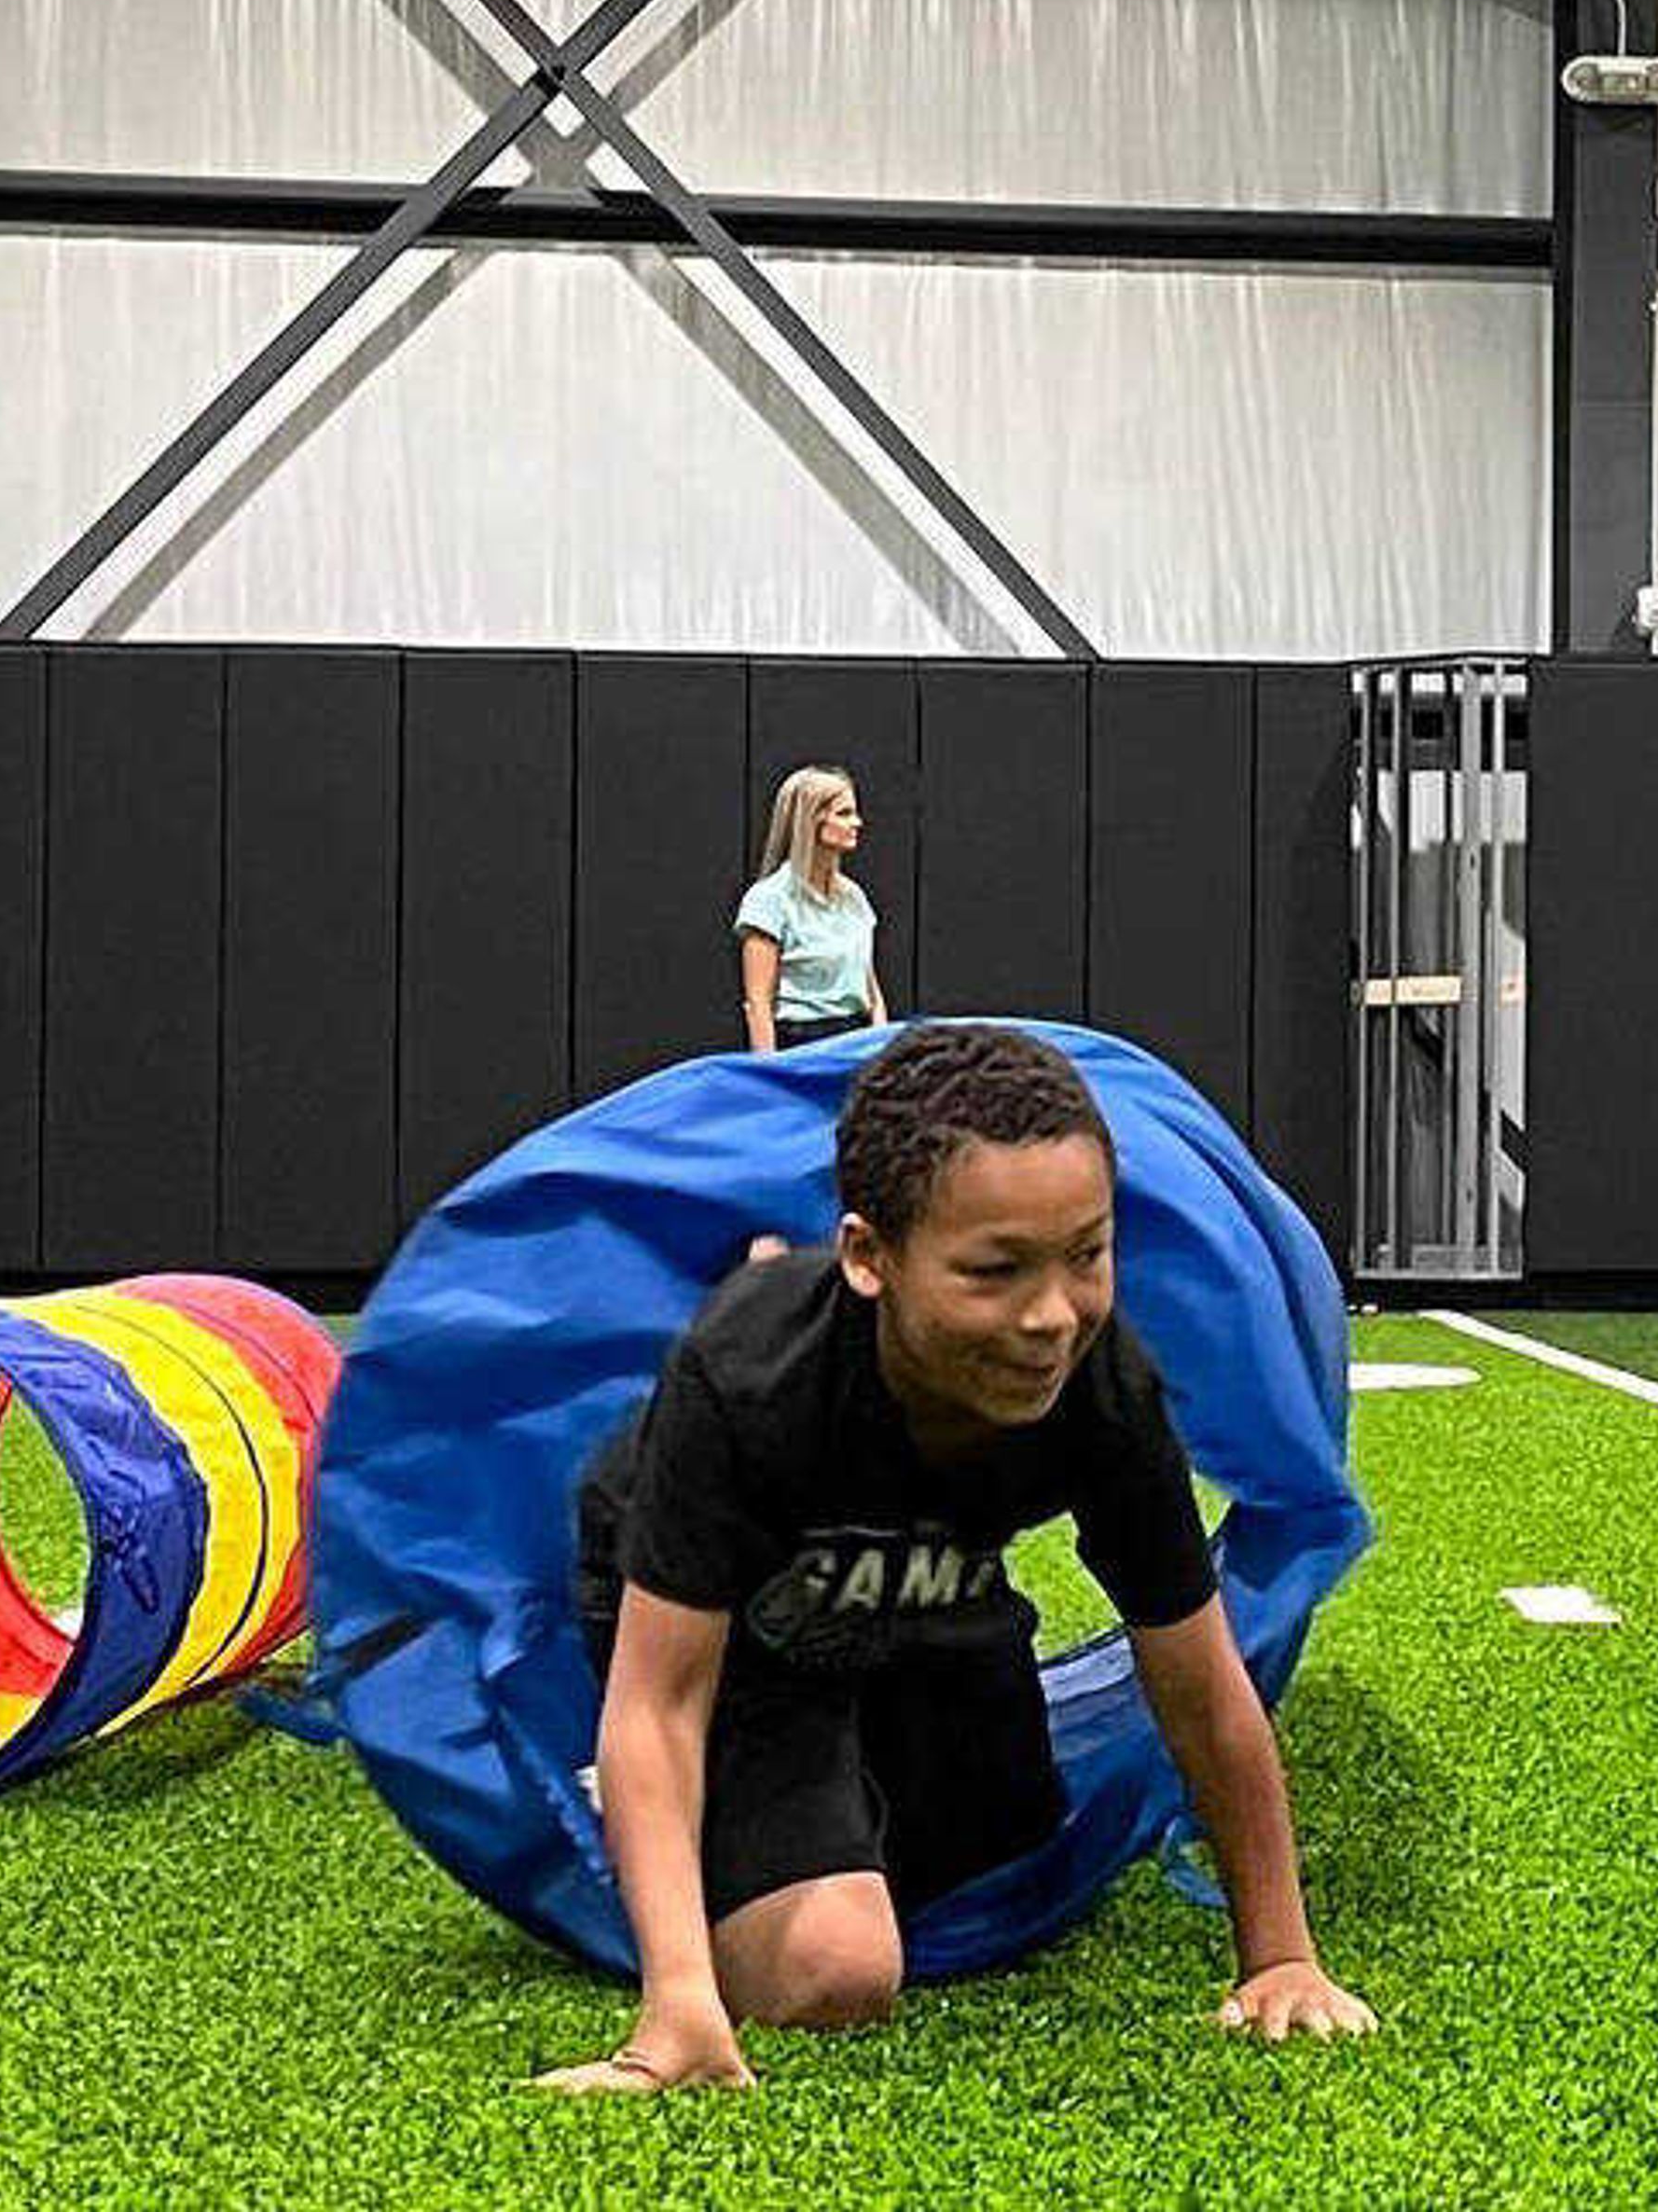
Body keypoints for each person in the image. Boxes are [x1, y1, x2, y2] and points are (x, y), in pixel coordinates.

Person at [537, 1024, 1374, 2093]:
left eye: (1088, 1253)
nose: (1050, 1316)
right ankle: (660, 1813)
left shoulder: (1101, 1384)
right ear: (865, 1255)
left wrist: (1281, 1955)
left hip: (920, 1581)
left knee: (1015, 1830)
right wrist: (680, 2005)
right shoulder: (750, 1376)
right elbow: (664, 1697)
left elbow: (1202, 1685)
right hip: (746, 1620)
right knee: (841, 1965)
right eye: (994, 1270)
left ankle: (835, 1776)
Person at [739, 765, 885, 1053]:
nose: (857, 823)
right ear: (809, 820)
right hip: (802, 1047)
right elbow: (758, 1004)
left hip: (857, 1044)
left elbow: (872, 993)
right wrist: (771, 1076)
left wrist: (880, 1051)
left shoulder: (854, 898)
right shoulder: (769, 899)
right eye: (844, 814)